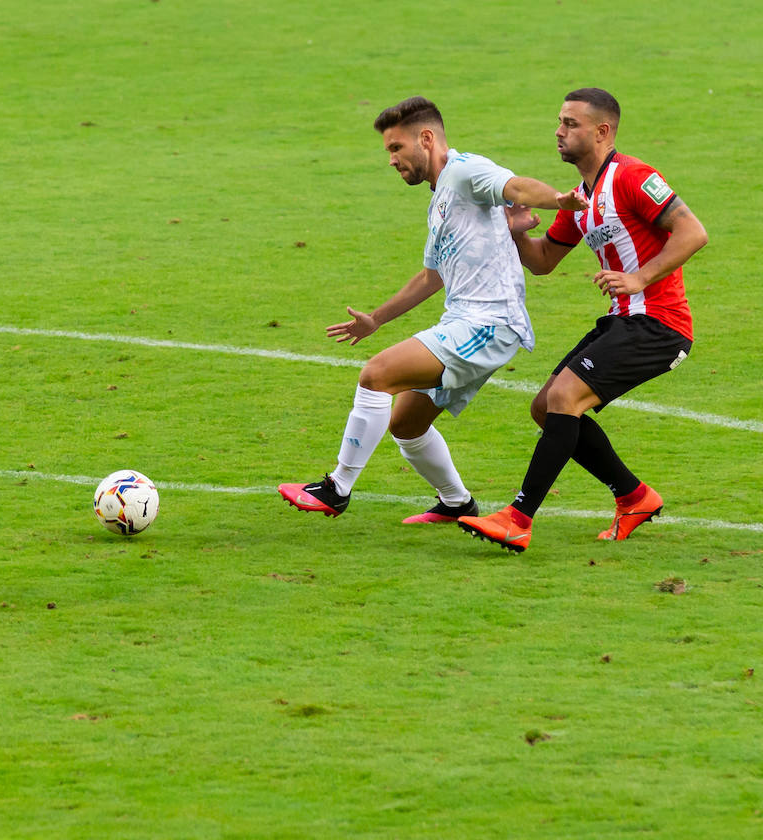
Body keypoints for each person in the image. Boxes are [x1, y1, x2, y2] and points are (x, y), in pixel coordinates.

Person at [279, 96, 586, 523]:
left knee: (376, 375)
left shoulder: (464, 171)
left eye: (395, 148)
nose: (391, 160)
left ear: (426, 139)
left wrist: (559, 200)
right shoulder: (441, 196)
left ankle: (337, 489)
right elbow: (431, 277)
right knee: (406, 424)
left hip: (489, 323)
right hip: (464, 320)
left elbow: (514, 187)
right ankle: (457, 503)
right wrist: (375, 320)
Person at [459, 88, 708, 552]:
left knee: (566, 396)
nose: (558, 131)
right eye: (559, 121)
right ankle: (635, 497)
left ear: (602, 131)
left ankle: (517, 518)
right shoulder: (581, 199)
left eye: (570, 124)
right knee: (545, 407)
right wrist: (515, 233)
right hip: (622, 320)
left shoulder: (634, 176)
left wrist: (640, 277)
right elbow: (544, 261)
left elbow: (693, 231)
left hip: (659, 323)